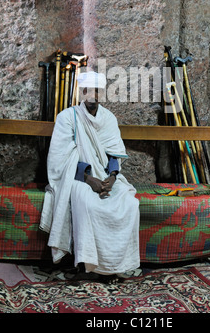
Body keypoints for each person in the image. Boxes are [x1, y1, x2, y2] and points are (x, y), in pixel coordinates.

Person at [40, 71, 140, 282]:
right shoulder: (67, 118)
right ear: (82, 92)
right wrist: (88, 179)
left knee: (129, 203)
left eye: (97, 91)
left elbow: (114, 153)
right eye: (88, 91)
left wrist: (112, 178)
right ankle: (88, 267)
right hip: (77, 177)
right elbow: (61, 159)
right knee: (87, 202)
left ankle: (114, 265)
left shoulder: (108, 118)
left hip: (105, 176)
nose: (92, 96)